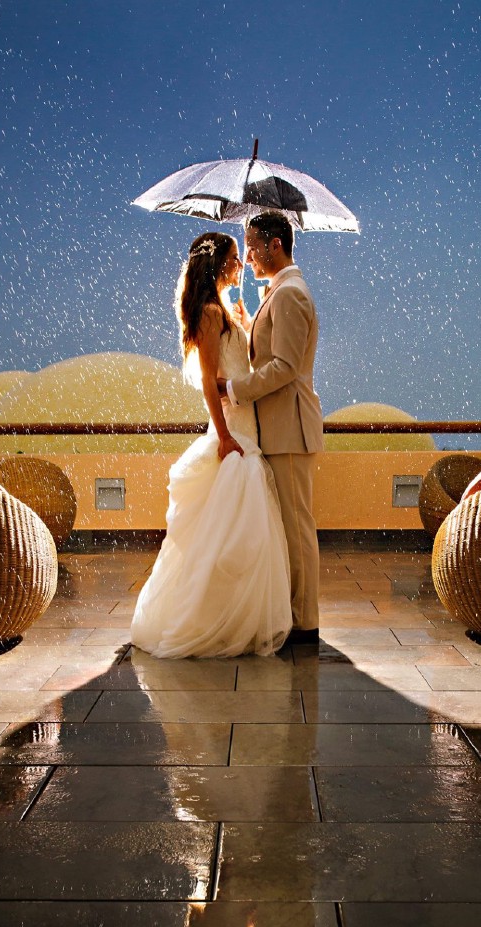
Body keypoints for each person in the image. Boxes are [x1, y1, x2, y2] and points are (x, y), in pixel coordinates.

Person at [130, 231, 291, 658]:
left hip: (248, 426)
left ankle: (236, 614)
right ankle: (214, 618)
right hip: (233, 432)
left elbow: (240, 366)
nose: (242, 265)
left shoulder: (225, 311)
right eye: (236, 259)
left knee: (240, 532)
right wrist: (222, 437)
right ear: (220, 265)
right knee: (228, 532)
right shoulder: (207, 313)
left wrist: (243, 317)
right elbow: (208, 382)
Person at [218, 210, 322, 645]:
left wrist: (234, 389)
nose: (247, 255)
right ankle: (294, 614)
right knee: (288, 526)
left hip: (290, 429)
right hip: (278, 428)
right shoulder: (276, 294)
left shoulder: (290, 294)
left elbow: (284, 367)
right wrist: (247, 322)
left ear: (274, 244)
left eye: (252, 245)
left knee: (297, 528)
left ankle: (305, 623)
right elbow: (272, 352)